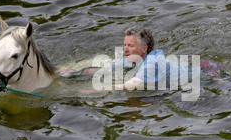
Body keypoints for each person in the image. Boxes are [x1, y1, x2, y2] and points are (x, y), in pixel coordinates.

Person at [59, 26, 189, 91]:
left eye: (130, 46)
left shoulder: (151, 63)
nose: (125, 49)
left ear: (144, 48)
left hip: (197, 74)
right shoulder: (133, 58)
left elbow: (128, 86)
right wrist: (76, 72)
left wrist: (92, 91)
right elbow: (106, 69)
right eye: (125, 45)